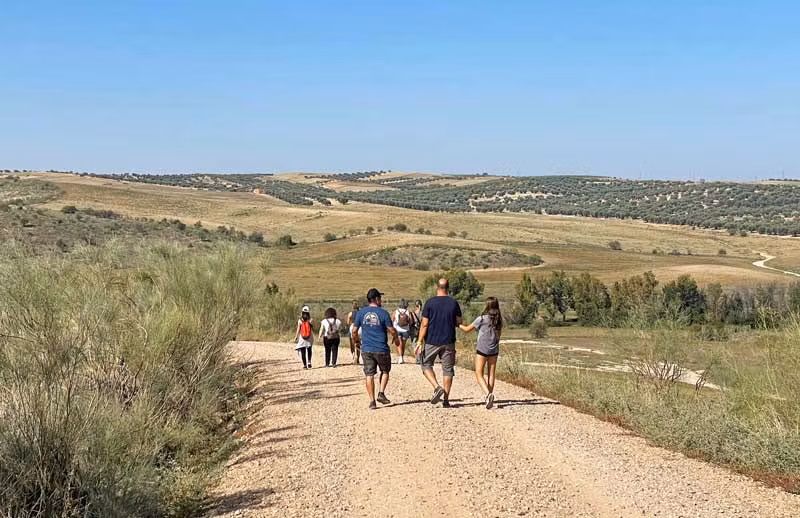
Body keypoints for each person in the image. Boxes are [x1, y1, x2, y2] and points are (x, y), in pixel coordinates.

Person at [415, 278, 462, 408]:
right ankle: (446, 400)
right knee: (448, 369)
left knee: (425, 364)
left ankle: (436, 387)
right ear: (448, 288)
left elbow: (424, 325)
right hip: (449, 340)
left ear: (437, 287)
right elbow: (459, 321)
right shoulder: (453, 303)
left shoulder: (430, 303)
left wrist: (419, 341)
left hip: (432, 341)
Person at [353, 288, 399, 409]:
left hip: (366, 348)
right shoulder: (383, 313)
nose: (381, 300)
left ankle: (372, 401)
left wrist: (357, 341)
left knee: (369, 375)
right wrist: (396, 338)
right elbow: (391, 330)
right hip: (381, 348)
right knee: (385, 371)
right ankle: (381, 393)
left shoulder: (361, 313)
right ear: (376, 299)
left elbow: (354, 331)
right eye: (380, 298)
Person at [459, 296, 502, 409]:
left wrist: (458, 324)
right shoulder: (499, 320)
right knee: (491, 374)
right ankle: (489, 395)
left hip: (482, 349)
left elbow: (467, 329)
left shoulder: (481, 319)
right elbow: (498, 336)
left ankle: (488, 394)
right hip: (494, 349)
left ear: (487, 306)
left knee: (479, 373)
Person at [392, 299, 414, 363]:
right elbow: (411, 321)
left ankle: (400, 357)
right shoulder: (408, 312)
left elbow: (392, 319)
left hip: (397, 329)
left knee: (399, 344)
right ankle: (402, 357)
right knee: (403, 344)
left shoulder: (396, 311)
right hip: (406, 330)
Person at [346, 300, 361, 365]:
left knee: (352, 342)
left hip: (353, 326)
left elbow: (348, 322)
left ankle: (354, 355)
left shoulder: (350, 313)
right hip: (360, 327)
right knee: (358, 343)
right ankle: (358, 358)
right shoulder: (361, 313)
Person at [411, 299, 423, 364]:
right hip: (422, 330)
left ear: (415, 306)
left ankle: (417, 359)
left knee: (415, 344)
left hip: (414, 331)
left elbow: (410, 322)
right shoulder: (424, 313)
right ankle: (421, 358)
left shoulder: (413, 313)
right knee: (421, 344)